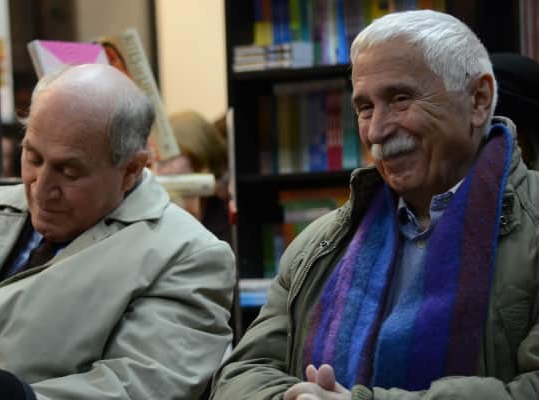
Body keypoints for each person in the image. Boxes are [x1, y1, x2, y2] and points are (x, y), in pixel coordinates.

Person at [211, 9, 539, 400]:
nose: (376, 131)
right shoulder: (319, 246)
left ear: (479, 100)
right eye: (364, 108)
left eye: (400, 100)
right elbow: (239, 376)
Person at [0, 64, 235, 399]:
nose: (41, 189)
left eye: (68, 171)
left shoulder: (186, 256)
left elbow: (139, 386)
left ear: (131, 170)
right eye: (33, 158)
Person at [155, 110, 232, 245]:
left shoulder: (226, 225)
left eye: (169, 158)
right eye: (156, 160)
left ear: (198, 160)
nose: (157, 170)